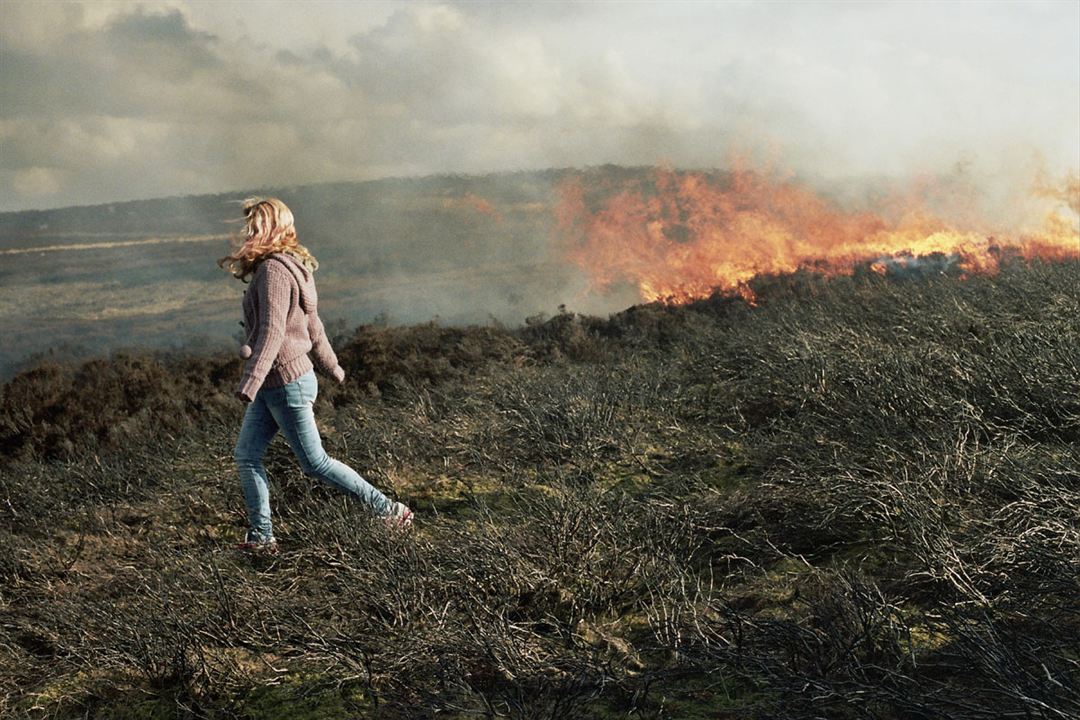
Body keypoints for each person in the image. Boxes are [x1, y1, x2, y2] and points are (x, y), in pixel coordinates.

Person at [219, 197, 412, 554]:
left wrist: (251, 381)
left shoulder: (274, 271)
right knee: (247, 455)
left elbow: (274, 332)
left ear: (268, 229)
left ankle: (390, 510)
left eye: (253, 226)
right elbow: (313, 325)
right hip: (282, 381)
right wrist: (332, 366)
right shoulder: (294, 266)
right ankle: (261, 539)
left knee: (315, 463)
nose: (246, 233)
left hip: (283, 382)